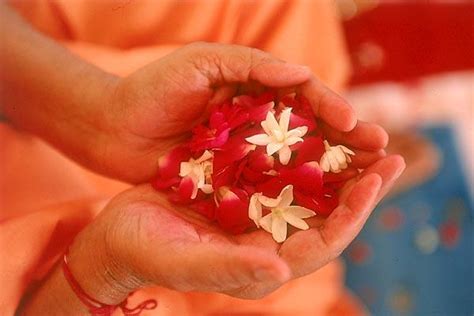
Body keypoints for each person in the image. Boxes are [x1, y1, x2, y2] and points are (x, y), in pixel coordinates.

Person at [0, 1, 405, 315]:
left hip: (48, 83)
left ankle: (335, 169)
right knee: (287, 285)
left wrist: (100, 117)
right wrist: (106, 267)